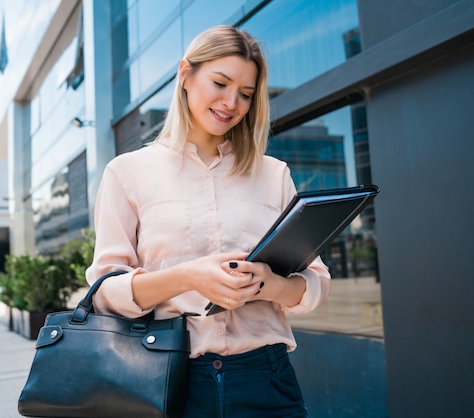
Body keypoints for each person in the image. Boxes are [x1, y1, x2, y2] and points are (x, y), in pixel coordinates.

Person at [86, 25, 331, 418]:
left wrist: (271, 285)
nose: (231, 102)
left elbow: (316, 283)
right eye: (220, 83)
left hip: (267, 380)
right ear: (186, 74)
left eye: (246, 94)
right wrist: (189, 277)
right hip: (169, 380)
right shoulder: (127, 172)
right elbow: (104, 294)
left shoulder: (273, 174)